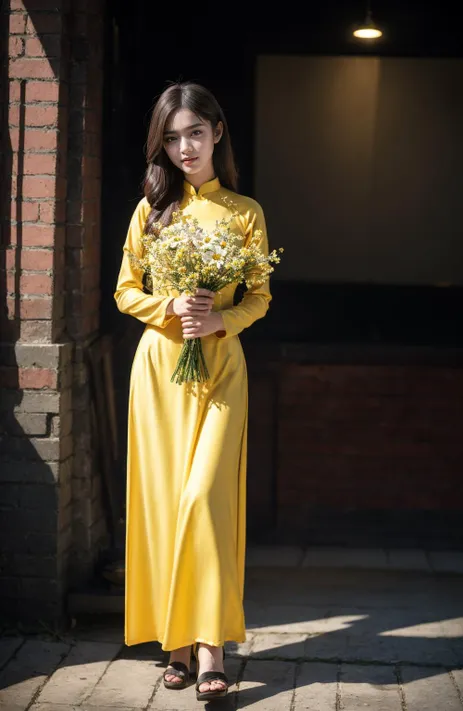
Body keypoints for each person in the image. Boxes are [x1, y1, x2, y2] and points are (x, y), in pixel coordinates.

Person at [114, 81, 272, 701]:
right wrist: (170, 306)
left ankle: (212, 646)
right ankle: (177, 647)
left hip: (222, 370)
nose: (185, 147)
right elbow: (126, 290)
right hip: (159, 372)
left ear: (218, 132)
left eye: (195, 133)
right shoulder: (150, 210)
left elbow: (259, 296)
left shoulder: (245, 213)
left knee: (206, 497)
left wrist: (220, 320)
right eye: (172, 137)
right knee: (164, 504)